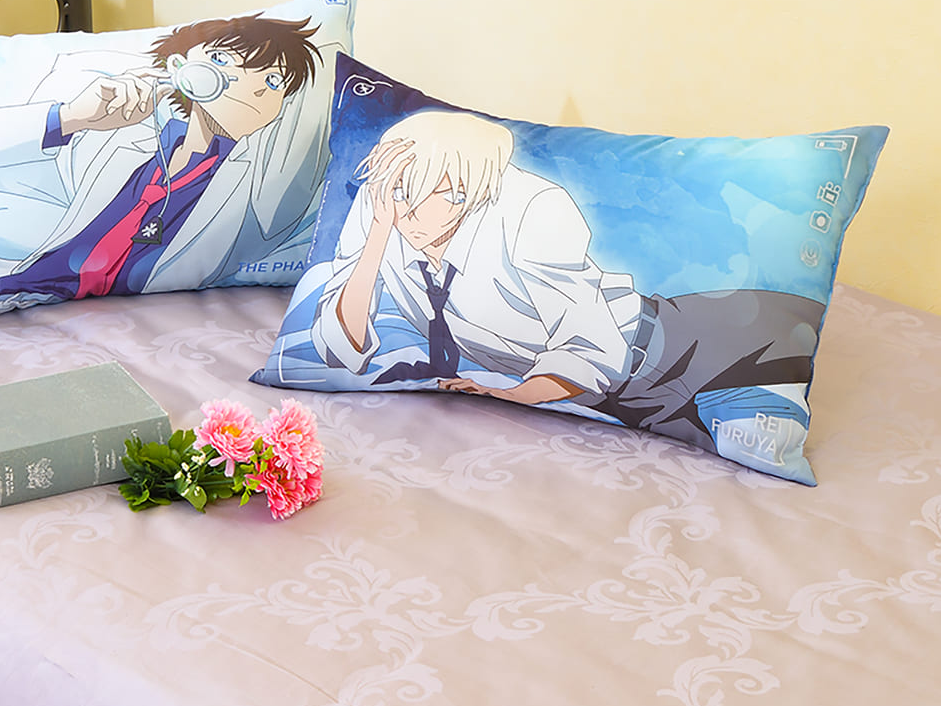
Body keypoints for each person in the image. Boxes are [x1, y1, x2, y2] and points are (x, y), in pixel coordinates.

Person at [311, 109, 825, 454]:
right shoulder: (383, 207)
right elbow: (338, 345)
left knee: (785, 334)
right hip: (597, 397)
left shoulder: (532, 209)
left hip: (672, 346)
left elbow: (591, 341)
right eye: (400, 189)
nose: (409, 209)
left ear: (469, 192)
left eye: (437, 192)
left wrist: (514, 395)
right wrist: (377, 238)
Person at [0, 12, 331, 303]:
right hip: (17, 296)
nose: (248, 84)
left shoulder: (262, 191)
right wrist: (71, 117)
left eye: (273, 80)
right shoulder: (105, 141)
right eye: (221, 61)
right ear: (179, 67)